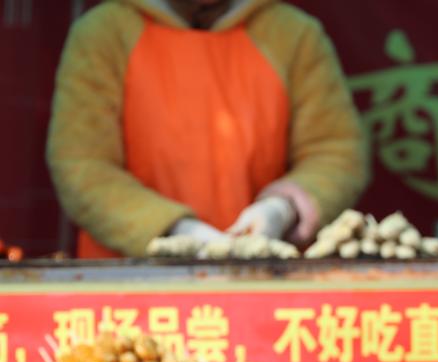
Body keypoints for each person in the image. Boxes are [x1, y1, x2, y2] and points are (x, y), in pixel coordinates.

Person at [47, 0, 367, 258]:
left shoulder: (294, 34)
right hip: (129, 284)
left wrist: (282, 208)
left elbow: (336, 153)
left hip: (263, 280)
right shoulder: (104, 33)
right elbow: (81, 165)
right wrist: (175, 230)